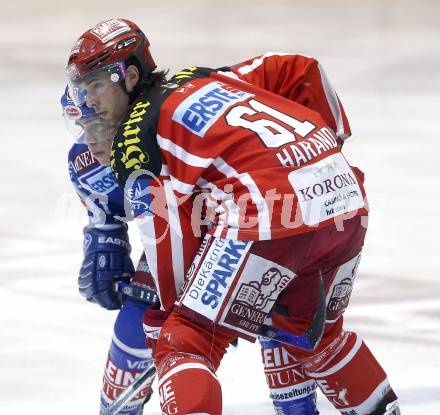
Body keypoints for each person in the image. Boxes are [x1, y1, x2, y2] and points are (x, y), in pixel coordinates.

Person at [65, 18, 401, 415]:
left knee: (184, 339)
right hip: (342, 196)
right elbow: (296, 68)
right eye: (82, 94)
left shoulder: (135, 145)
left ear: (131, 74)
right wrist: (322, 152)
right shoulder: (204, 78)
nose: (90, 107)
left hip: (267, 210)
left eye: (96, 87)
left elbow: (169, 252)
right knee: (319, 338)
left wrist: (171, 324)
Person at [61, 88, 157, 415]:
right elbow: (106, 221)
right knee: (135, 324)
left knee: (286, 318)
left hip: (230, 227)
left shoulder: (163, 136)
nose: (90, 141)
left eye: (98, 125)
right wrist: (105, 251)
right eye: (82, 127)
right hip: (171, 239)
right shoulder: (83, 163)